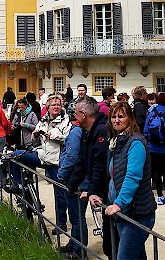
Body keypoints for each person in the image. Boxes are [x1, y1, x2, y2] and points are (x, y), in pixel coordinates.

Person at [7, 94, 71, 234]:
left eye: (58, 104)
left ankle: (61, 225)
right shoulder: (43, 120)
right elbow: (36, 143)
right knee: (14, 155)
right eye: (53, 105)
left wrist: (53, 136)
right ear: (47, 107)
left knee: (60, 194)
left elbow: (68, 139)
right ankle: (18, 185)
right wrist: (36, 136)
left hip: (56, 161)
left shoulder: (66, 121)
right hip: (43, 155)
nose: (56, 107)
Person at [102, 101, 156, 260]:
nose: (116, 120)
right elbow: (113, 176)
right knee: (138, 256)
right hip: (124, 213)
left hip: (137, 213)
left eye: (121, 116)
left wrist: (119, 203)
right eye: (113, 116)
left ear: (130, 119)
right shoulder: (117, 142)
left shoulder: (136, 143)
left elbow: (132, 176)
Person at [68, 96, 111, 259]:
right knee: (109, 239)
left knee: (112, 239)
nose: (74, 117)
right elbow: (82, 160)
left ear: (84, 114)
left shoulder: (101, 130)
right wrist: (72, 184)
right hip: (100, 187)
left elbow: (100, 164)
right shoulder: (88, 131)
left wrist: (92, 190)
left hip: (109, 189)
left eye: (76, 113)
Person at [58, 121, 88, 259]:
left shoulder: (76, 132)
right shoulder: (83, 130)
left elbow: (72, 156)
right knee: (76, 216)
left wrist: (61, 174)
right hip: (82, 180)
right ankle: (73, 244)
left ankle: (79, 251)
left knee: (77, 218)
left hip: (78, 181)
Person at [143, 92, 165, 205]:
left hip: (154, 148)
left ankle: (160, 195)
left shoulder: (152, 112)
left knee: (156, 171)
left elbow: (146, 130)